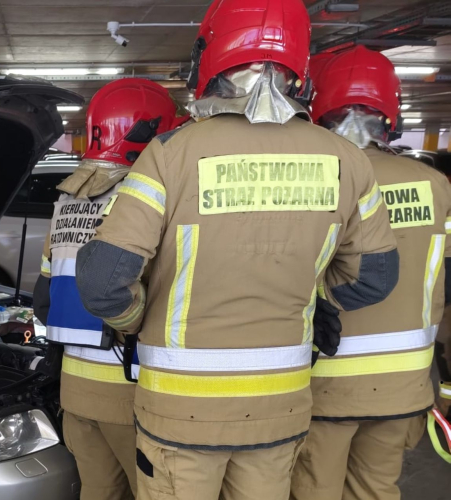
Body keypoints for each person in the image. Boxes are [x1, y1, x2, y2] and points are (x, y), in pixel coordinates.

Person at [74, 1, 400, 498]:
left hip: (180, 411)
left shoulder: (171, 153)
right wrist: (312, 306)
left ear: (209, 57)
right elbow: (375, 276)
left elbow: (102, 281)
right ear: (299, 67)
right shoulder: (346, 159)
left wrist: (137, 317)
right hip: (280, 405)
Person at [290, 45, 451, 500]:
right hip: (404, 385)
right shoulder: (435, 186)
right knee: (377, 490)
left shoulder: (318, 180)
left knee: (313, 490)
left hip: (323, 381)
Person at [33, 78, 183, 500]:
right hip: (127, 386)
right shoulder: (142, 200)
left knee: (98, 491)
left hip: (74, 388)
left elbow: (44, 301)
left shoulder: (69, 199)